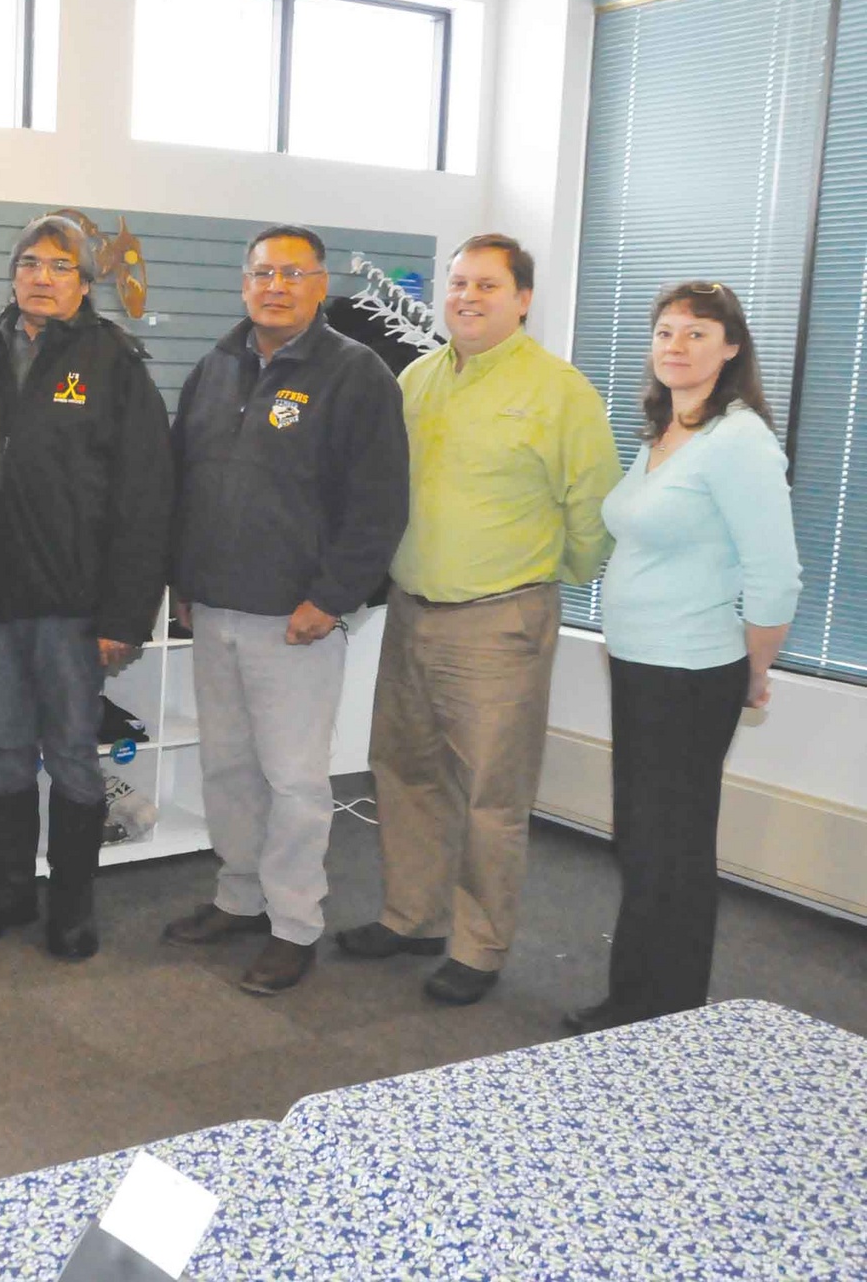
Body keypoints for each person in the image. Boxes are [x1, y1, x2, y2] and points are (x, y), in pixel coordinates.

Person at [338, 234, 622, 1005]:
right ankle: (412, 917)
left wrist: (554, 577)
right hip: (412, 612)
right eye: (458, 283)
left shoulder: (559, 390)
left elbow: (593, 506)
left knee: (490, 796)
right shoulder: (418, 377)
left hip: (499, 621)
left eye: (487, 285)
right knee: (405, 773)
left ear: (522, 299)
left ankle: (478, 947)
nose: (467, 296)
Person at [163, 225, 409, 995]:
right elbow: (183, 481)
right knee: (228, 767)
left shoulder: (357, 374)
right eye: (263, 273)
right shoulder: (215, 367)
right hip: (214, 610)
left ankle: (294, 925)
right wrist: (181, 582)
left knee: (296, 782)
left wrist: (331, 598)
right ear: (245, 283)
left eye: (293, 274)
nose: (275, 286)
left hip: (296, 620)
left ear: (320, 285)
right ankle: (239, 898)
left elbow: (380, 504)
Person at [566, 282, 800, 1035]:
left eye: (697, 333)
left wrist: (754, 672)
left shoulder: (739, 441)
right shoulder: (665, 430)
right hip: (642, 664)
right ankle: (634, 1001)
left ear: (730, 348)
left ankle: (666, 1014)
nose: (676, 345)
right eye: (665, 331)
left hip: (694, 673)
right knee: (641, 840)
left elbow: (776, 575)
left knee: (672, 848)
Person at [0, 215, 172, 960]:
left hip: (75, 607)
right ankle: (9, 890)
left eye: (60, 266)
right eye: (30, 263)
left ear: (84, 282)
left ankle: (72, 905)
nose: (42, 278)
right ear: (12, 274)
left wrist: (126, 616)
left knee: (72, 754)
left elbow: (145, 498)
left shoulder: (116, 364)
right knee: (7, 749)